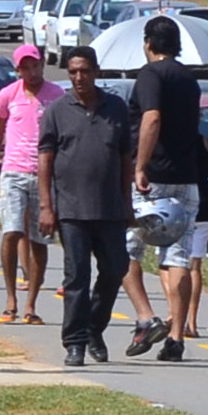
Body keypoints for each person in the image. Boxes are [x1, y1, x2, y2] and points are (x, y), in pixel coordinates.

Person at [37, 51, 139, 368]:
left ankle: (94, 327)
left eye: (84, 71)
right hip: (71, 209)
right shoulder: (56, 111)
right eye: (72, 72)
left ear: (95, 72)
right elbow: (45, 162)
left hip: (109, 209)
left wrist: (127, 203)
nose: (79, 78)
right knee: (76, 277)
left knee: (115, 269)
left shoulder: (116, 108)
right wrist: (46, 206)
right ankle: (75, 343)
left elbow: (125, 160)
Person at [127, 15, 208, 360]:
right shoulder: (189, 79)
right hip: (186, 177)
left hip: (155, 179)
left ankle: (147, 316)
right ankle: (177, 335)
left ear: (148, 43)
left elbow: (152, 118)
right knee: (179, 255)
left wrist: (140, 165)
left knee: (128, 248)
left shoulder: (151, 75)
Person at [0, 48, 56, 326]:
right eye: (25, 67)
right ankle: (11, 298)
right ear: (18, 70)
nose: (31, 72)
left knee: (40, 239)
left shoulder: (56, 96)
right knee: (12, 232)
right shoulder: (8, 95)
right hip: (13, 171)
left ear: (42, 64)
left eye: (35, 65)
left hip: (44, 174)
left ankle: (31, 304)